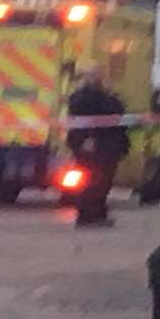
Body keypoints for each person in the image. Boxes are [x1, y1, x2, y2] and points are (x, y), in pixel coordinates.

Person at [66, 62, 130, 227]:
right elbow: (113, 111)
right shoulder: (90, 97)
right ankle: (90, 214)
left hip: (97, 145)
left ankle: (95, 213)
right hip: (97, 145)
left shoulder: (84, 96)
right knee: (95, 181)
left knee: (98, 181)